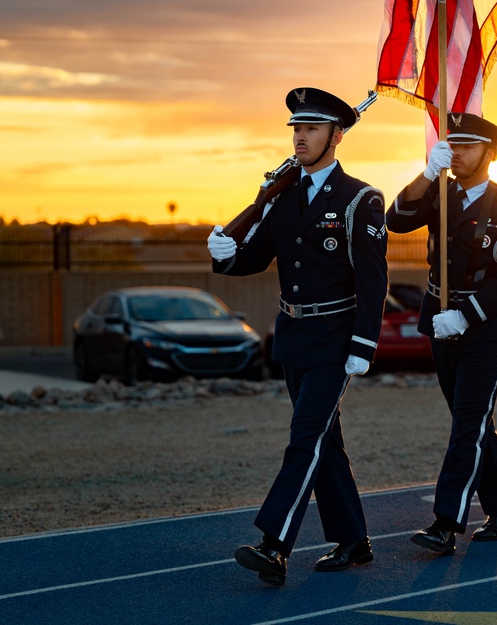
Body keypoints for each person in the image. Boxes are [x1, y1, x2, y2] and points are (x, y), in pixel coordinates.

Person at [207, 86, 388, 585]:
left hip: (335, 339)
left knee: (304, 439)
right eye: (296, 128)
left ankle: (274, 544)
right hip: (293, 336)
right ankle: (353, 540)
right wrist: (224, 252)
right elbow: (255, 258)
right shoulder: (284, 198)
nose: (300, 136)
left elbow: (374, 281)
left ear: (337, 134)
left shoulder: (359, 200)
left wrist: (363, 345)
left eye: (310, 128)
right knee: (324, 442)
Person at [386, 112, 497, 555]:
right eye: (454, 145)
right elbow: (398, 219)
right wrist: (426, 174)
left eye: (469, 146)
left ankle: (446, 522)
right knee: (469, 420)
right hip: (439, 320)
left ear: (491, 153)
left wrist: (466, 315)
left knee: (467, 423)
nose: (459, 153)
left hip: (485, 328)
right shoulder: (439, 191)